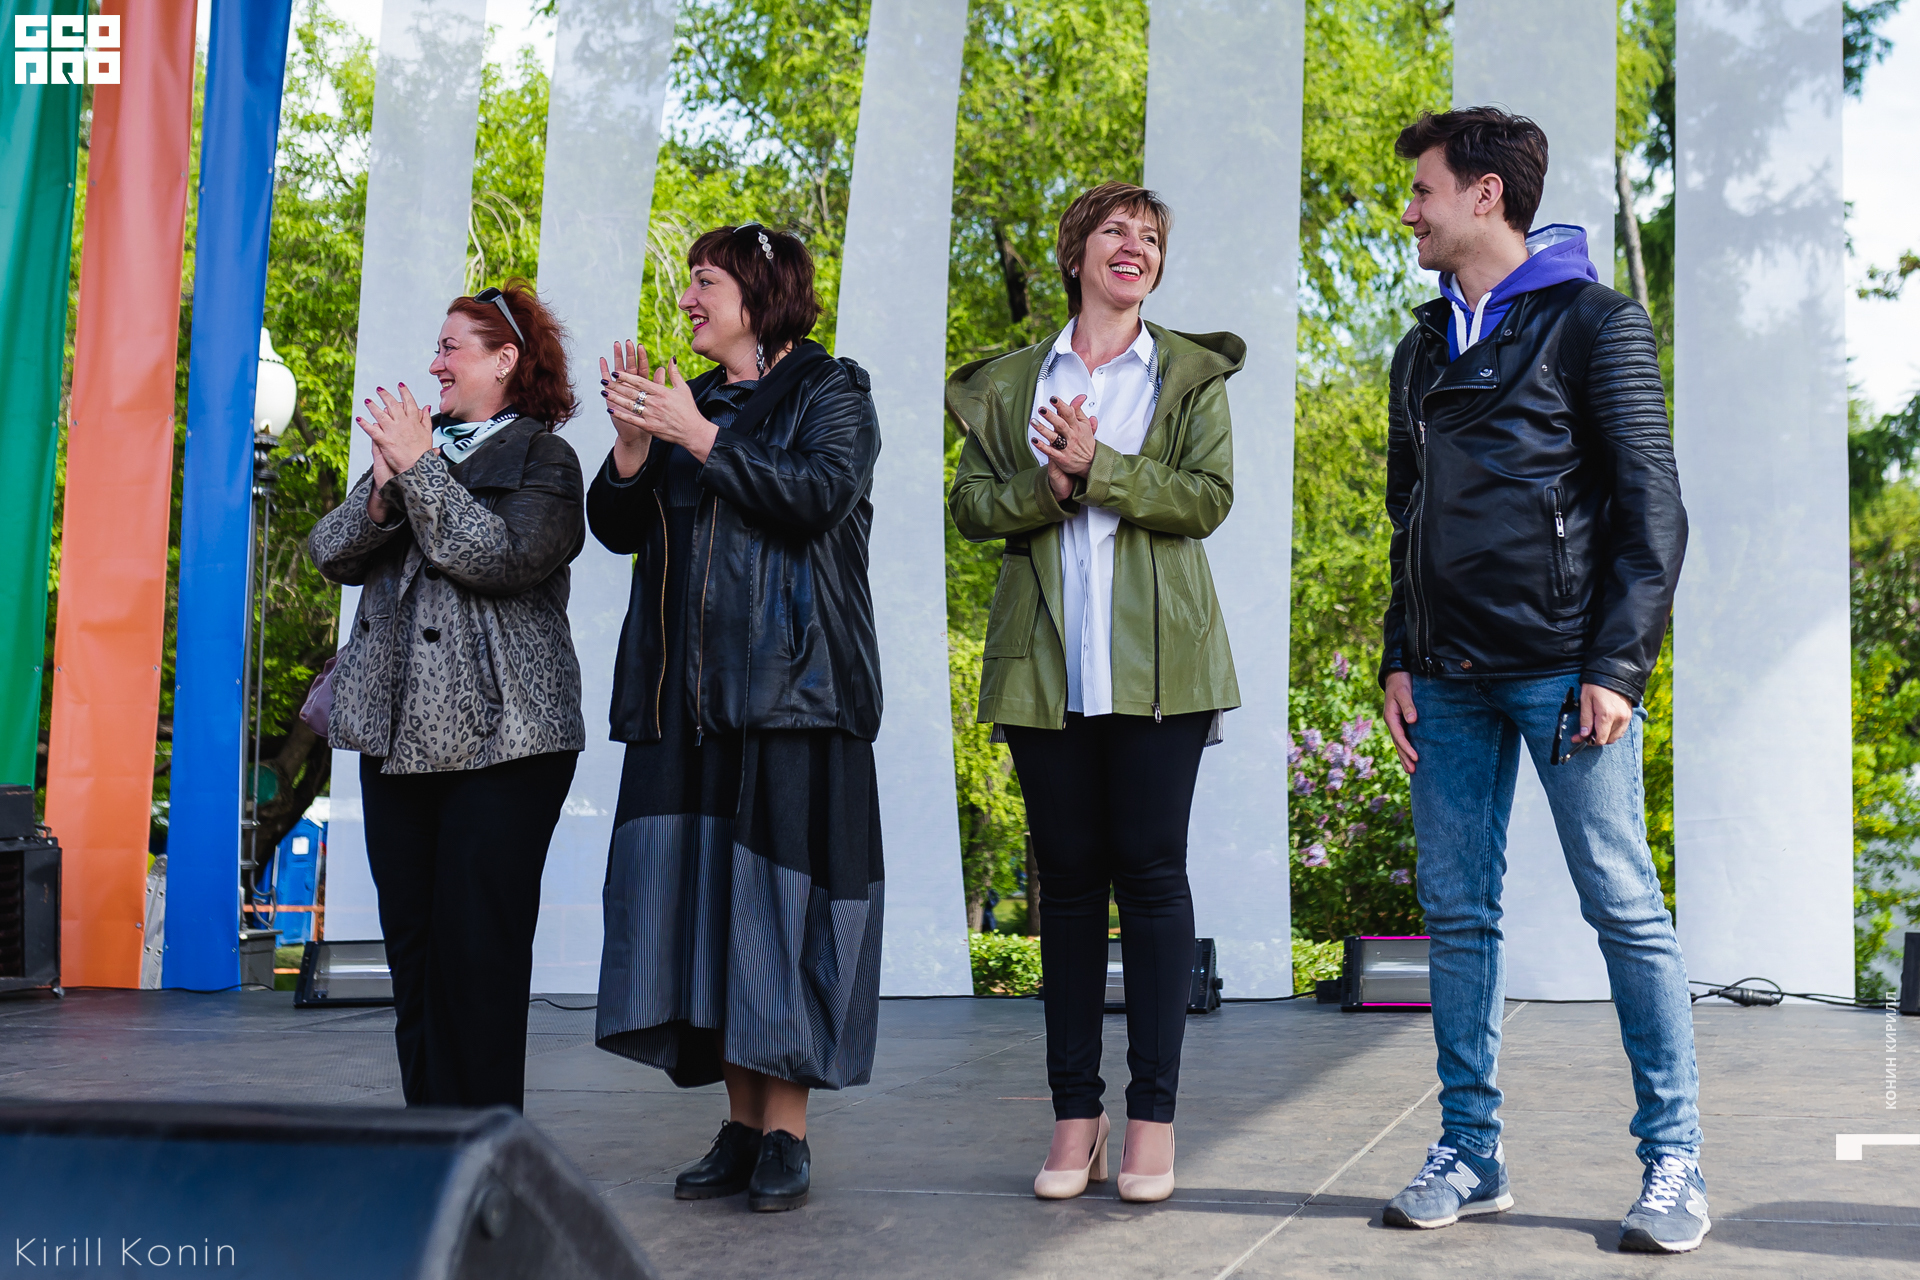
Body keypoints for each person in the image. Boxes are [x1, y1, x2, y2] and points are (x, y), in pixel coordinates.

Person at [1377, 108, 1703, 1253]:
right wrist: (1398, 652)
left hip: (1569, 671)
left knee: (1623, 903)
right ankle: (1471, 1150)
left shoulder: (1595, 323)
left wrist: (1618, 663)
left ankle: (1674, 1158)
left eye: (1423, 189)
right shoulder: (1420, 348)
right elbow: (1408, 518)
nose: (1408, 211)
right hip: (1446, 676)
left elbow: (1654, 509)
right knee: (1457, 914)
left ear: (1486, 195)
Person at [947, 182, 1242, 1204]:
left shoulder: (1189, 375)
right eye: (1116, 230)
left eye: (1151, 236)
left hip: (1166, 672)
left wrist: (1101, 467)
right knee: (1068, 886)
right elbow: (970, 507)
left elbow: (1208, 498)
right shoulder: (1013, 382)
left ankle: (1152, 1117)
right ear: (1077, 252)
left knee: (1153, 878)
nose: (1136, 246)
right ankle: (1077, 1115)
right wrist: (1050, 487)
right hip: (1046, 669)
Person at [589, 223, 883, 1213]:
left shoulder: (831, 391)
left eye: (705, 281)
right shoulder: (695, 402)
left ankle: (786, 1130)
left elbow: (818, 495)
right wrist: (635, 448)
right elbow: (619, 529)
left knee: (777, 913)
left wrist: (700, 437)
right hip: (689, 702)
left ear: (760, 293)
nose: (687, 300)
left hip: (795, 697)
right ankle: (744, 1122)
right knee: (711, 910)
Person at [310, 279, 586, 1109]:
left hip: (506, 743)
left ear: (504, 361)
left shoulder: (544, 460)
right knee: (417, 952)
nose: (434, 364)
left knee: (479, 955)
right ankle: (428, 1142)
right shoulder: (415, 455)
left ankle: (483, 1146)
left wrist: (422, 470)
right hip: (397, 740)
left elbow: (501, 559)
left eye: (450, 348)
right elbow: (330, 552)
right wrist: (384, 488)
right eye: (435, 348)